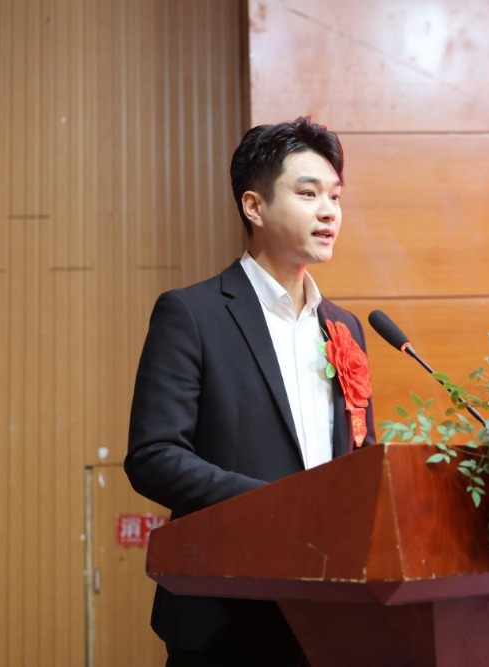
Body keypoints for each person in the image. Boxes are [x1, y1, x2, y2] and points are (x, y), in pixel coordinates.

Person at [125, 116, 377, 666]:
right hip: (228, 615)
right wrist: (278, 507)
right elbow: (154, 456)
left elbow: (360, 458)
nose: (329, 212)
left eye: (335, 196)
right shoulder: (192, 314)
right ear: (254, 206)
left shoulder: (345, 329)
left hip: (333, 613)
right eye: (308, 194)